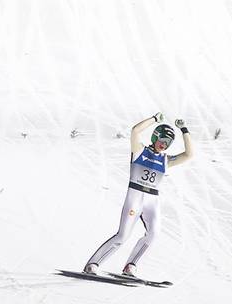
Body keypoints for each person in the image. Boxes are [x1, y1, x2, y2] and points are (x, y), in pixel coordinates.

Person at [83, 114, 194, 277]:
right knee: (122, 236)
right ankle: (92, 264)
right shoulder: (139, 150)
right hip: (135, 197)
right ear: (155, 137)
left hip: (152, 201)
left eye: (168, 143)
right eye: (162, 140)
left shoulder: (165, 160)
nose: (164, 145)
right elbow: (135, 131)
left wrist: (184, 130)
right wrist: (154, 119)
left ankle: (131, 266)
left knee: (154, 234)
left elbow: (189, 155)